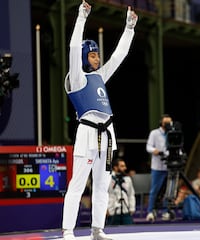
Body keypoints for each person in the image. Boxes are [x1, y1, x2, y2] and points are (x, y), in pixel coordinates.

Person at [62, 1, 138, 239]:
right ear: (85, 57)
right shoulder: (77, 78)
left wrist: (129, 28)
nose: (97, 58)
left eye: (97, 55)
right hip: (87, 133)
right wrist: (82, 17)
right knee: (77, 184)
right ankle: (68, 230)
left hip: (107, 135)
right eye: (93, 55)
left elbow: (119, 55)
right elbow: (74, 47)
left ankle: (98, 229)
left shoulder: (100, 76)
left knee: (102, 185)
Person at [145, 114, 173, 222]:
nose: (168, 124)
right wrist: (154, 150)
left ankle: (166, 211)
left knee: (168, 191)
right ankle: (150, 212)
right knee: (154, 190)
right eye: (166, 122)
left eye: (169, 122)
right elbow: (148, 147)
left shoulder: (172, 133)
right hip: (157, 167)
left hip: (169, 167)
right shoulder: (154, 133)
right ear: (161, 122)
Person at [107, 158, 136, 225]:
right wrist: (105, 209)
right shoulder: (109, 178)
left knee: (129, 231)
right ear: (115, 167)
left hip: (126, 210)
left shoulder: (127, 179)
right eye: (122, 166)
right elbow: (105, 194)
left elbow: (131, 194)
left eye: (124, 166)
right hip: (113, 210)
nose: (125, 168)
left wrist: (132, 208)